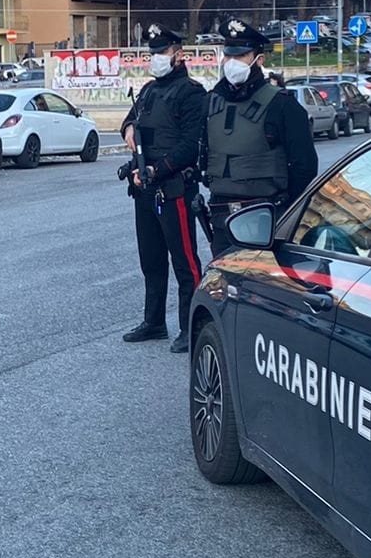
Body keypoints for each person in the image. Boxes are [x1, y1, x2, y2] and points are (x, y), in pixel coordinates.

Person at [119, 24, 208, 353]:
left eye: (162, 52)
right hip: (144, 187)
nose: (156, 58)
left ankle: (192, 326)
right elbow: (129, 121)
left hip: (173, 187)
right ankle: (154, 321)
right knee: (151, 260)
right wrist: (128, 128)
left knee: (185, 262)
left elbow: (189, 144)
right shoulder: (148, 91)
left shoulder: (192, 92)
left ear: (178, 54)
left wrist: (158, 169)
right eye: (152, 53)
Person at [201, 19, 319, 256]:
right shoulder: (211, 101)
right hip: (221, 214)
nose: (232, 63)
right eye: (229, 56)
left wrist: (285, 211)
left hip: (265, 216)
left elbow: (305, 166)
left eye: (241, 56)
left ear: (259, 60)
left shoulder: (282, 105)